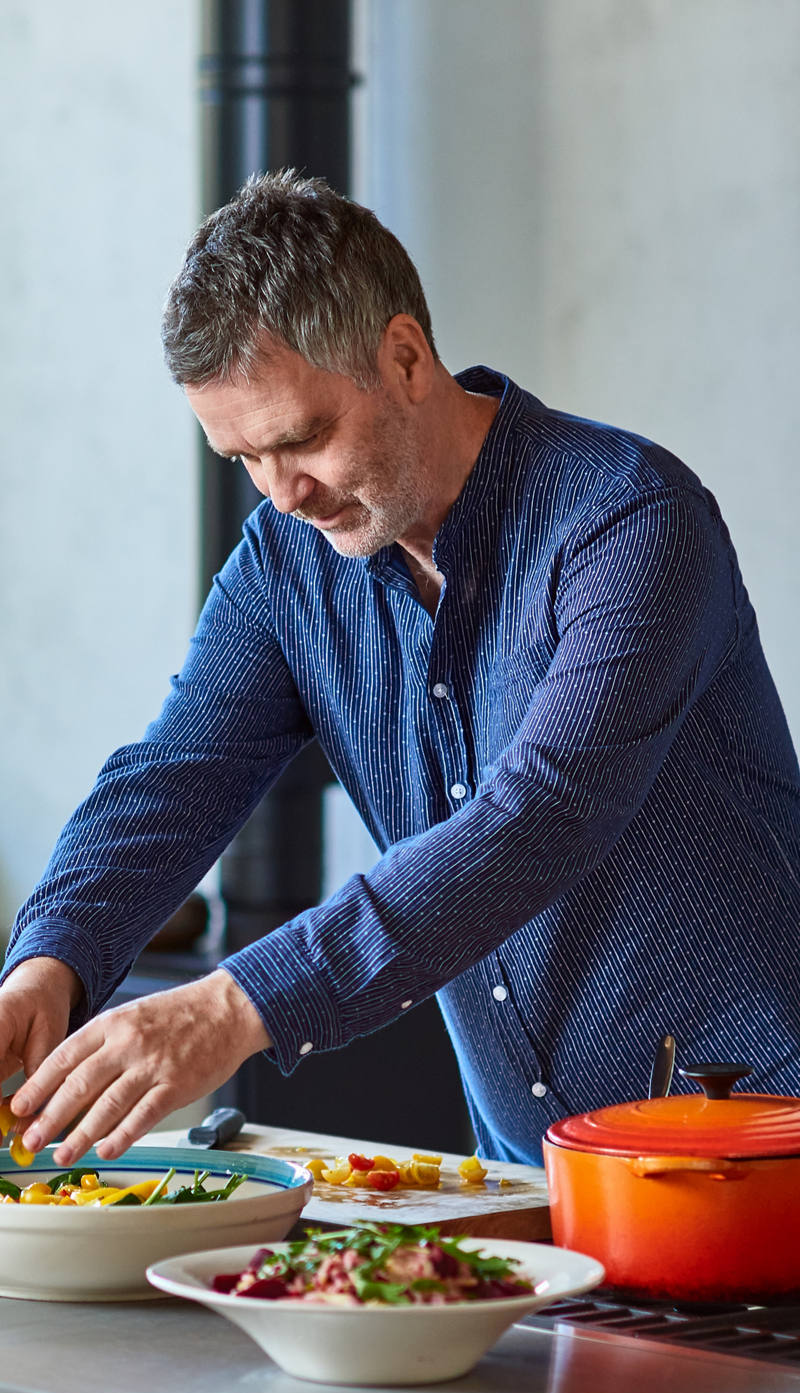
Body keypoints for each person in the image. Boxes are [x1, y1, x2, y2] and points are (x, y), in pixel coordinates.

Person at [2, 169, 800, 1170]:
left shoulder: (628, 521)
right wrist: (48, 962)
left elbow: (540, 815)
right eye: (241, 458)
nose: (280, 494)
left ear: (406, 357)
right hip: (535, 1182)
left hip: (764, 1162)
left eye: (301, 439)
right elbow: (172, 777)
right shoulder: (283, 567)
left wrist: (243, 1002)